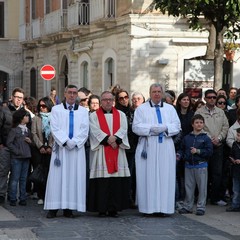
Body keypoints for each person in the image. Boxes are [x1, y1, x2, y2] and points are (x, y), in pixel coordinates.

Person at [132, 83, 181, 215]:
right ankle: (148, 208)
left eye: (159, 91)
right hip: (148, 146)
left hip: (165, 145)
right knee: (148, 176)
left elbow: (177, 125)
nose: (157, 94)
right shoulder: (141, 109)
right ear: (150, 93)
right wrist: (151, 129)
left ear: (163, 93)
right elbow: (135, 127)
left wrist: (165, 128)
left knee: (165, 176)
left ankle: (164, 208)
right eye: (154, 91)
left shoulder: (170, 109)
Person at [44, 85, 89, 218]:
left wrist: (74, 142)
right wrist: (65, 141)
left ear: (77, 95)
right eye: (69, 92)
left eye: (74, 93)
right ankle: (53, 207)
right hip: (61, 149)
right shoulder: (56, 110)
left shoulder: (83, 111)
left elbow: (84, 129)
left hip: (76, 150)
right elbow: (54, 128)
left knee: (73, 177)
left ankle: (69, 208)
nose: (72, 95)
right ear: (64, 94)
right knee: (57, 178)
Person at [88, 91, 130, 217]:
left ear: (113, 101)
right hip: (101, 150)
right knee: (102, 181)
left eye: (110, 99)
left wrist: (116, 139)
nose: (107, 102)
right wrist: (107, 140)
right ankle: (101, 208)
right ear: (101, 101)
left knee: (116, 181)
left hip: (117, 149)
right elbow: (93, 130)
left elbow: (124, 129)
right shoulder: (94, 116)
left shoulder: (121, 114)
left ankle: (114, 208)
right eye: (105, 99)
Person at [196, 89, 229, 206]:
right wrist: (210, 138)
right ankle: (202, 198)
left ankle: (214, 198)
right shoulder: (199, 112)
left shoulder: (221, 112)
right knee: (203, 173)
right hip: (205, 146)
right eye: (209, 97)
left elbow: (225, 127)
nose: (212, 99)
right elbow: (199, 126)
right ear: (205, 98)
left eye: (214, 97)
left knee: (217, 173)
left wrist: (219, 138)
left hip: (218, 147)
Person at [178, 114, 213, 216]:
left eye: (201, 123)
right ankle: (188, 206)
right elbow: (182, 148)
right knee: (188, 187)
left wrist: (198, 151)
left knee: (202, 188)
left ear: (203, 124)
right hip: (188, 166)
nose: (199, 124)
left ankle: (201, 207)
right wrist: (179, 155)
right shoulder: (187, 138)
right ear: (192, 124)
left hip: (201, 166)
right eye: (197, 122)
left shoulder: (206, 138)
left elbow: (209, 152)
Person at [0, 87, 25, 204]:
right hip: (5, 146)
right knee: (3, 170)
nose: (18, 100)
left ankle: (12, 195)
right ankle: (1, 194)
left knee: (16, 173)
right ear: (12, 97)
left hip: (18, 148)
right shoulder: (4, 110)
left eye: (20, 98)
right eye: (16, 97)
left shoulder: (24, 112)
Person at [115, 89, 138, 208]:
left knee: (131, 174)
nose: (124, 100)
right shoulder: (116, 113)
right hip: (119, 146)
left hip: (132, 147)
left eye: (126, 97)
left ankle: (130, 197)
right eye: (121, 98)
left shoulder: (132, 111)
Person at [7, 108, 32, 206]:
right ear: (21, 118)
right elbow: (9, 143)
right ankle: (12, 197)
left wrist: (30, 142)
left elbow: (32, 142)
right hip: (17, 158)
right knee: (14, 178)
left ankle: (22, 198)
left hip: (26, 157)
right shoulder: (14, 130)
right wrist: (17, 151)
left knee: (23, 178)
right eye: (25, 116)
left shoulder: (27, 130)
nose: (27, 117)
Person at [31, 97, 54, 205]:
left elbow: (55, 133)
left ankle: (49, 195)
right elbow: (34, 133)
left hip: (50, 150)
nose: (42, 108)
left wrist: (50, 146)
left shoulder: (54, 118)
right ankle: (40, 195)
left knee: (50, 173)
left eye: (44, 106)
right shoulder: (36, 118)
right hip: (39, 150)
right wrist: (40, 146)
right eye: (40, 106)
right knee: (39, 171)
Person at [175, 93, 194, 205]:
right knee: (177, 173)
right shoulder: (175, 114)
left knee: (186, 174)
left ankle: (186, 197)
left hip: (188, 146)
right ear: (180, 101)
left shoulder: (192, 114)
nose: (186, 101)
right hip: (177, 146)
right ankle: (177, 197)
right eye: (184, 99)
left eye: (188, 99)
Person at [226, 128, 240, 212]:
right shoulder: (235, 144)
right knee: (236, 189)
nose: (238, 137)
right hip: (236, 170)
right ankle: (235, 204)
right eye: (237, 135)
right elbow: (231, 154)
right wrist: (232, 159)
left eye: (239, 135)